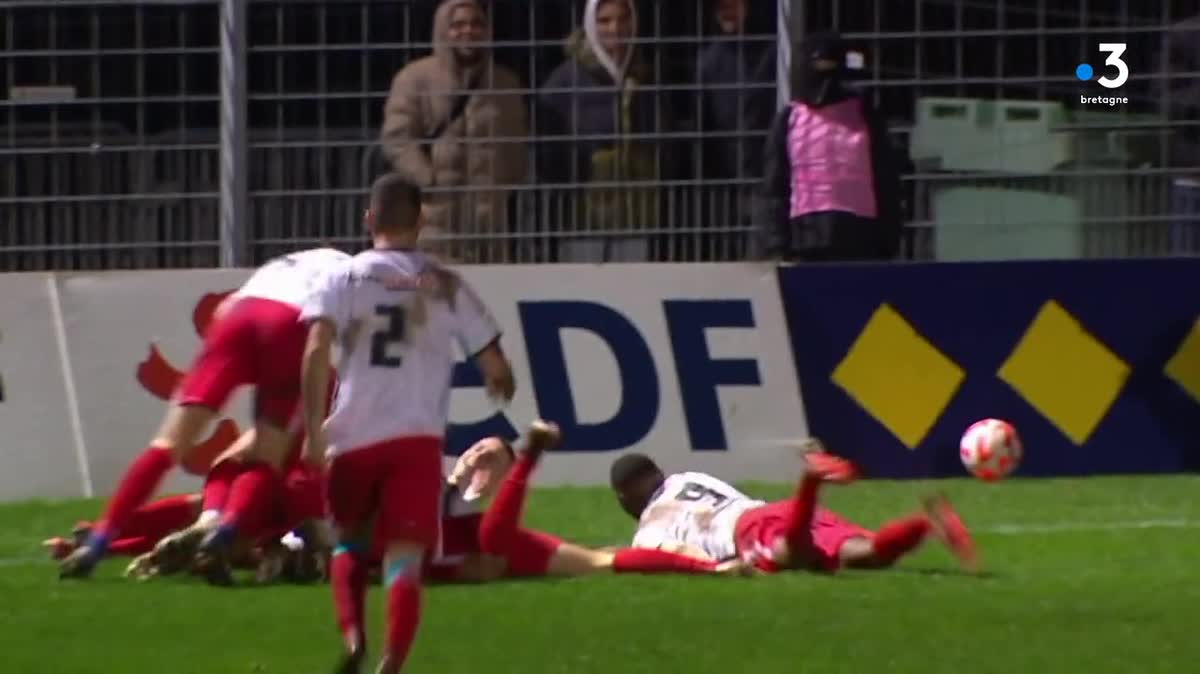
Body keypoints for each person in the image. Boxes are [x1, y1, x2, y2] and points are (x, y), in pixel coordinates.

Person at [299, 171, 515, 674]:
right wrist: (500, 380)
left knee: (350, 540)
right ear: (421, 222)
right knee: (404, 557)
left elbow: (314, 350)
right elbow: (494, 364)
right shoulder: (445, 284)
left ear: (368, 219)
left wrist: (314, 430)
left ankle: (354, 636)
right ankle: (393, 660)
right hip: (416, 439)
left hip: (353, 435)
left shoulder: (342, 278)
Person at [58, 246, 351, 579]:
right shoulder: (353, 280)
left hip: (239, 317)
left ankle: (98, 541)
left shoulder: (289, 265)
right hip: (292, 329)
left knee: (168, 445)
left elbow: (227, 309)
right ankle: (222, 532)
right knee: (267, 464)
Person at [609, 440, 978, 575]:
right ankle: (927, 522)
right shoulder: (688, 478)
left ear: (625, 498)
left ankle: (810, 481)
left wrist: (718, 566)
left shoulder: (649, 531)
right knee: (867, 555)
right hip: (773, 511)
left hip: (751, 531)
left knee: (793, 556)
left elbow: (678, 553)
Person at [381, 0, 528, 263]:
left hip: (488, 229)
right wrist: (428, 178)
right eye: (457, 25)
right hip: (432, 223)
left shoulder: (506, 83)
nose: (468, 31)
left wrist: (501, 187)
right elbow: (397, 138)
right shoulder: (414, 78)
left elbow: (516, 146)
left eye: (476, 24)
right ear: (442, 30)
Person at [537, 0, 669, 262]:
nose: (616, 28)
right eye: (605, 20)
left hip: (638, 218)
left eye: (623, 19)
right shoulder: (564, 81)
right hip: (582, 221)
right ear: (589, 26)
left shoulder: (647, 76)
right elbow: (549, 155)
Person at [756, 31, 904, 262]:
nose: (825, 85)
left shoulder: (865, 114)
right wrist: (777, 244)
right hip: (805, 238)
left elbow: (885, 179)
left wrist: (888, 240)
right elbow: (775, 187)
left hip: (859, 237)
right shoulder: (790, 119)